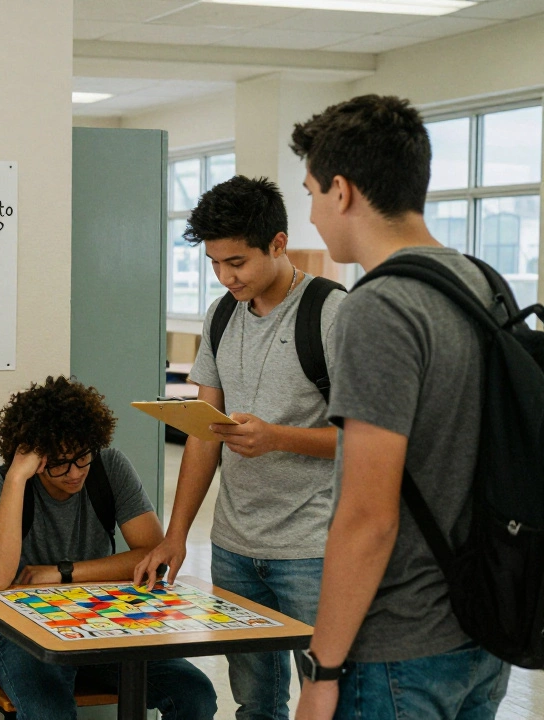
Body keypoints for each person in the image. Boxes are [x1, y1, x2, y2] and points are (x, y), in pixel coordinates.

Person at [288, 95, 510, 720]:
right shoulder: (483, 282)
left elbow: (367, 517)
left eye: (310, 192)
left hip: (397, 651)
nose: (311, 213)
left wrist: (322, 669)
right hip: (480, 627)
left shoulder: (378, 307)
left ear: (342, 190)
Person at [134, 175, 343, 719]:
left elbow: (368, 441)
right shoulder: (223, 313)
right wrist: (176, 535)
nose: (227, 277)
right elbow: (206, 433)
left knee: (332, 701)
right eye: (215, 264)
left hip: (313, 550)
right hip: (233, 546)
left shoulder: (332, 312)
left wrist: (277, 437)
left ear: (277, 242)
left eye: (238, 262)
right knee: (255, 704)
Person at [0, 376, 217, 720]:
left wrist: (62, 573)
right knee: (49, 713)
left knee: (195, 693)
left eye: (82, 456)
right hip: (21, 634)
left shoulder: (109, 467)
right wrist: (16, 478)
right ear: (35, 456)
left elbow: (152, 557)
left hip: (101, 621)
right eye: (58, 463)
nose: (74, 473)